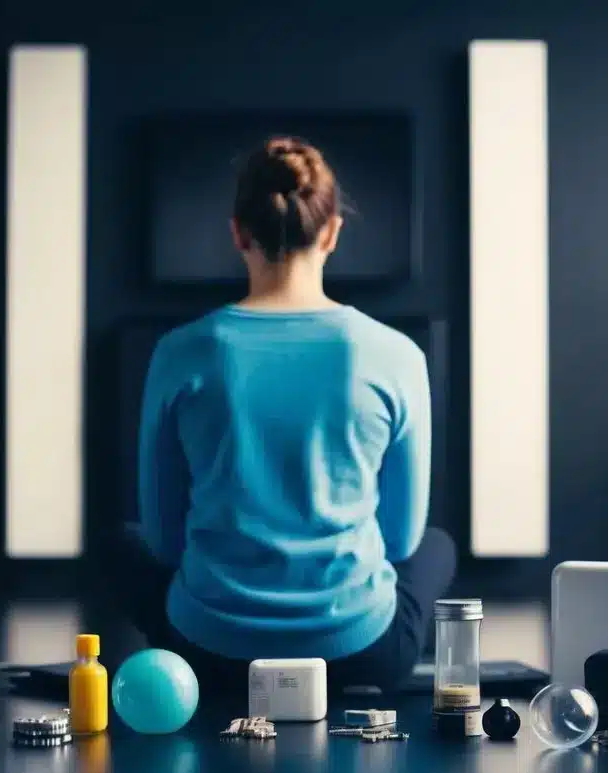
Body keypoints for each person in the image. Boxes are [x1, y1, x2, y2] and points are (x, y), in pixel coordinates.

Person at [111, 136, 456, 695]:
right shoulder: (396, 354)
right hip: (360, 651)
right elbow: (401, 540)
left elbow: (164, 540)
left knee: (120, 543)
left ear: (238, 232)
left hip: (205, 649)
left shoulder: (181, 351)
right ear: (332, 231)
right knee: (437, 544)